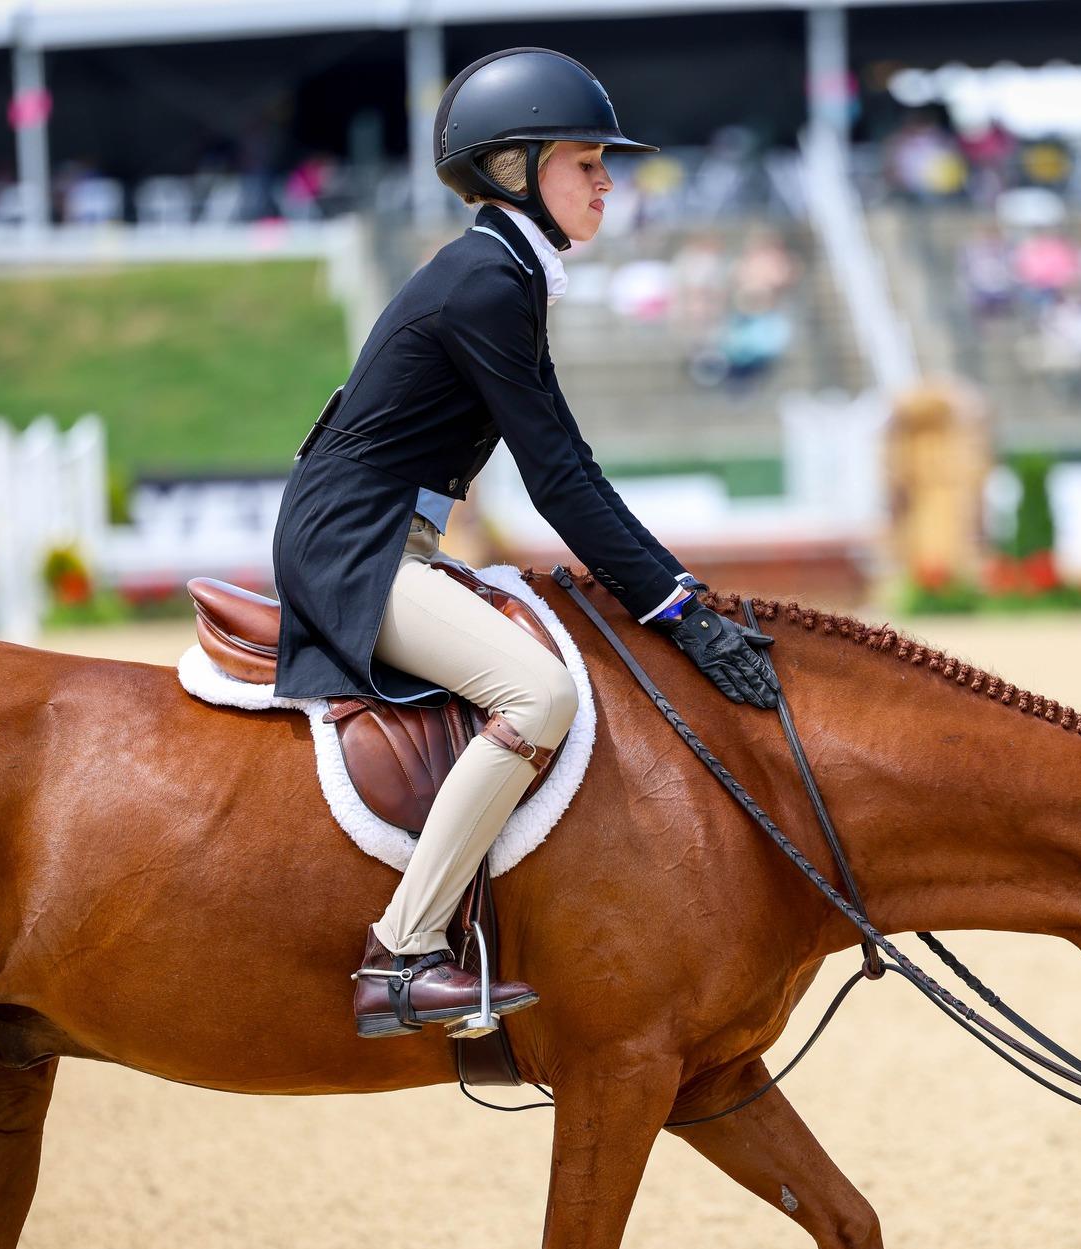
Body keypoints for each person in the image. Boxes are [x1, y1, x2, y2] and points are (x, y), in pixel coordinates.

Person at [268, 47, 781, 1040]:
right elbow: (559, 477)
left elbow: (565, 466)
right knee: (536, 692)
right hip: (359, 545)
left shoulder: (503, 272)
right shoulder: (486, 283)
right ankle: (405, 955)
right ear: (513, 171)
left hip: (387, 532)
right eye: (584, 162)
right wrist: (676, 606)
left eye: (602, 164)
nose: (605, 182)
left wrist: (679, 596)